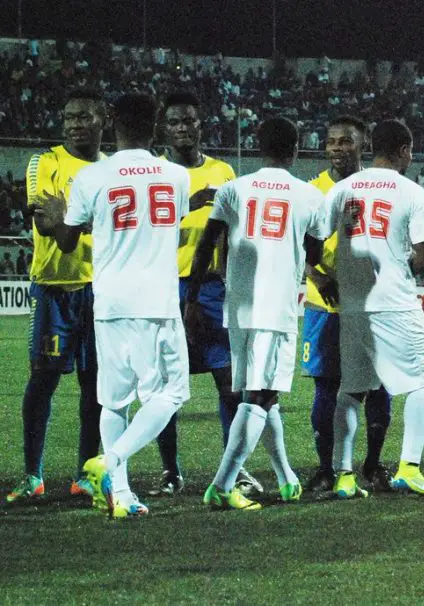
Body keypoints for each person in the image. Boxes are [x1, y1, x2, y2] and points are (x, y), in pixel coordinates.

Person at [36, 92, 192, 517]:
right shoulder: (176, 176)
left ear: (112, 123)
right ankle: (112, 459)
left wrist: (59, 218)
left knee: (114, 400)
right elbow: (169, 227)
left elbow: (67, 242)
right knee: (172, 392)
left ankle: (121, 496)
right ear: (155, 125)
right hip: (156, 300)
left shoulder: (91, 177)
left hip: (108, 301)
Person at [193, 117, 326, 511]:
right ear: (296, 149)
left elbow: (207, 244)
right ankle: (223, 484)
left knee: (265, 396)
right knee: (259, 395)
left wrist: (191, 299)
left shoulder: (233, 189)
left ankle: (285, 477)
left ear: (258, 147)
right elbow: (315, 253)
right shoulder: (309, 195)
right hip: (276, 307)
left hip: (237, 307)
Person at [321, 119, 424, 498]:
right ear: (405, 150)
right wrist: (397, 268)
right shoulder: (411, 191)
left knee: (351, 390)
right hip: (394, 303)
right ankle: (410, 467)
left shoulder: (342, 188)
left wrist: (332, 276)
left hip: (352, 305)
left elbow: (313, 238)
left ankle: (343, 475)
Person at [149, 91, 263, 497]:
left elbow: (234, 231)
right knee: (166, 385)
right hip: (164, 287)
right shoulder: (155, 173)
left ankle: (235, 470)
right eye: (174, 122)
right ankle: (170, 471)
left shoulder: (223, 172)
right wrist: (187, 204)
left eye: (189, 121)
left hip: (213, 289)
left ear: (201, 126)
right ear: (163, 129)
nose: (182, 128)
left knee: (229, 382)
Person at [6, 90, 106, 505]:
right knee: (42, 380)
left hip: (100, 290)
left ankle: (86, 475)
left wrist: (70, 216)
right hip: (53, 288)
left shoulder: (111, 170)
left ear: (102, 120)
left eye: (83, 116)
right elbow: (46, 222)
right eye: (68, 117)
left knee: (94, 385)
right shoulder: (45, 161)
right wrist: (90, 221)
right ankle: (33, 475)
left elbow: (68, 220)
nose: (74, 124)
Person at [301, 116, 393, 494]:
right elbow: (296, 243)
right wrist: (318, 276)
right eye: (332, 142)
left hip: (372, 305)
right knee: (326, 387)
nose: (337, 148)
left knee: (379, 387)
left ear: (363, 145)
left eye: (346, 141)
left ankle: (372, 464)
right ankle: (326, 468)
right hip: (325, 306)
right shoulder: (312, 191)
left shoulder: (376, 187)